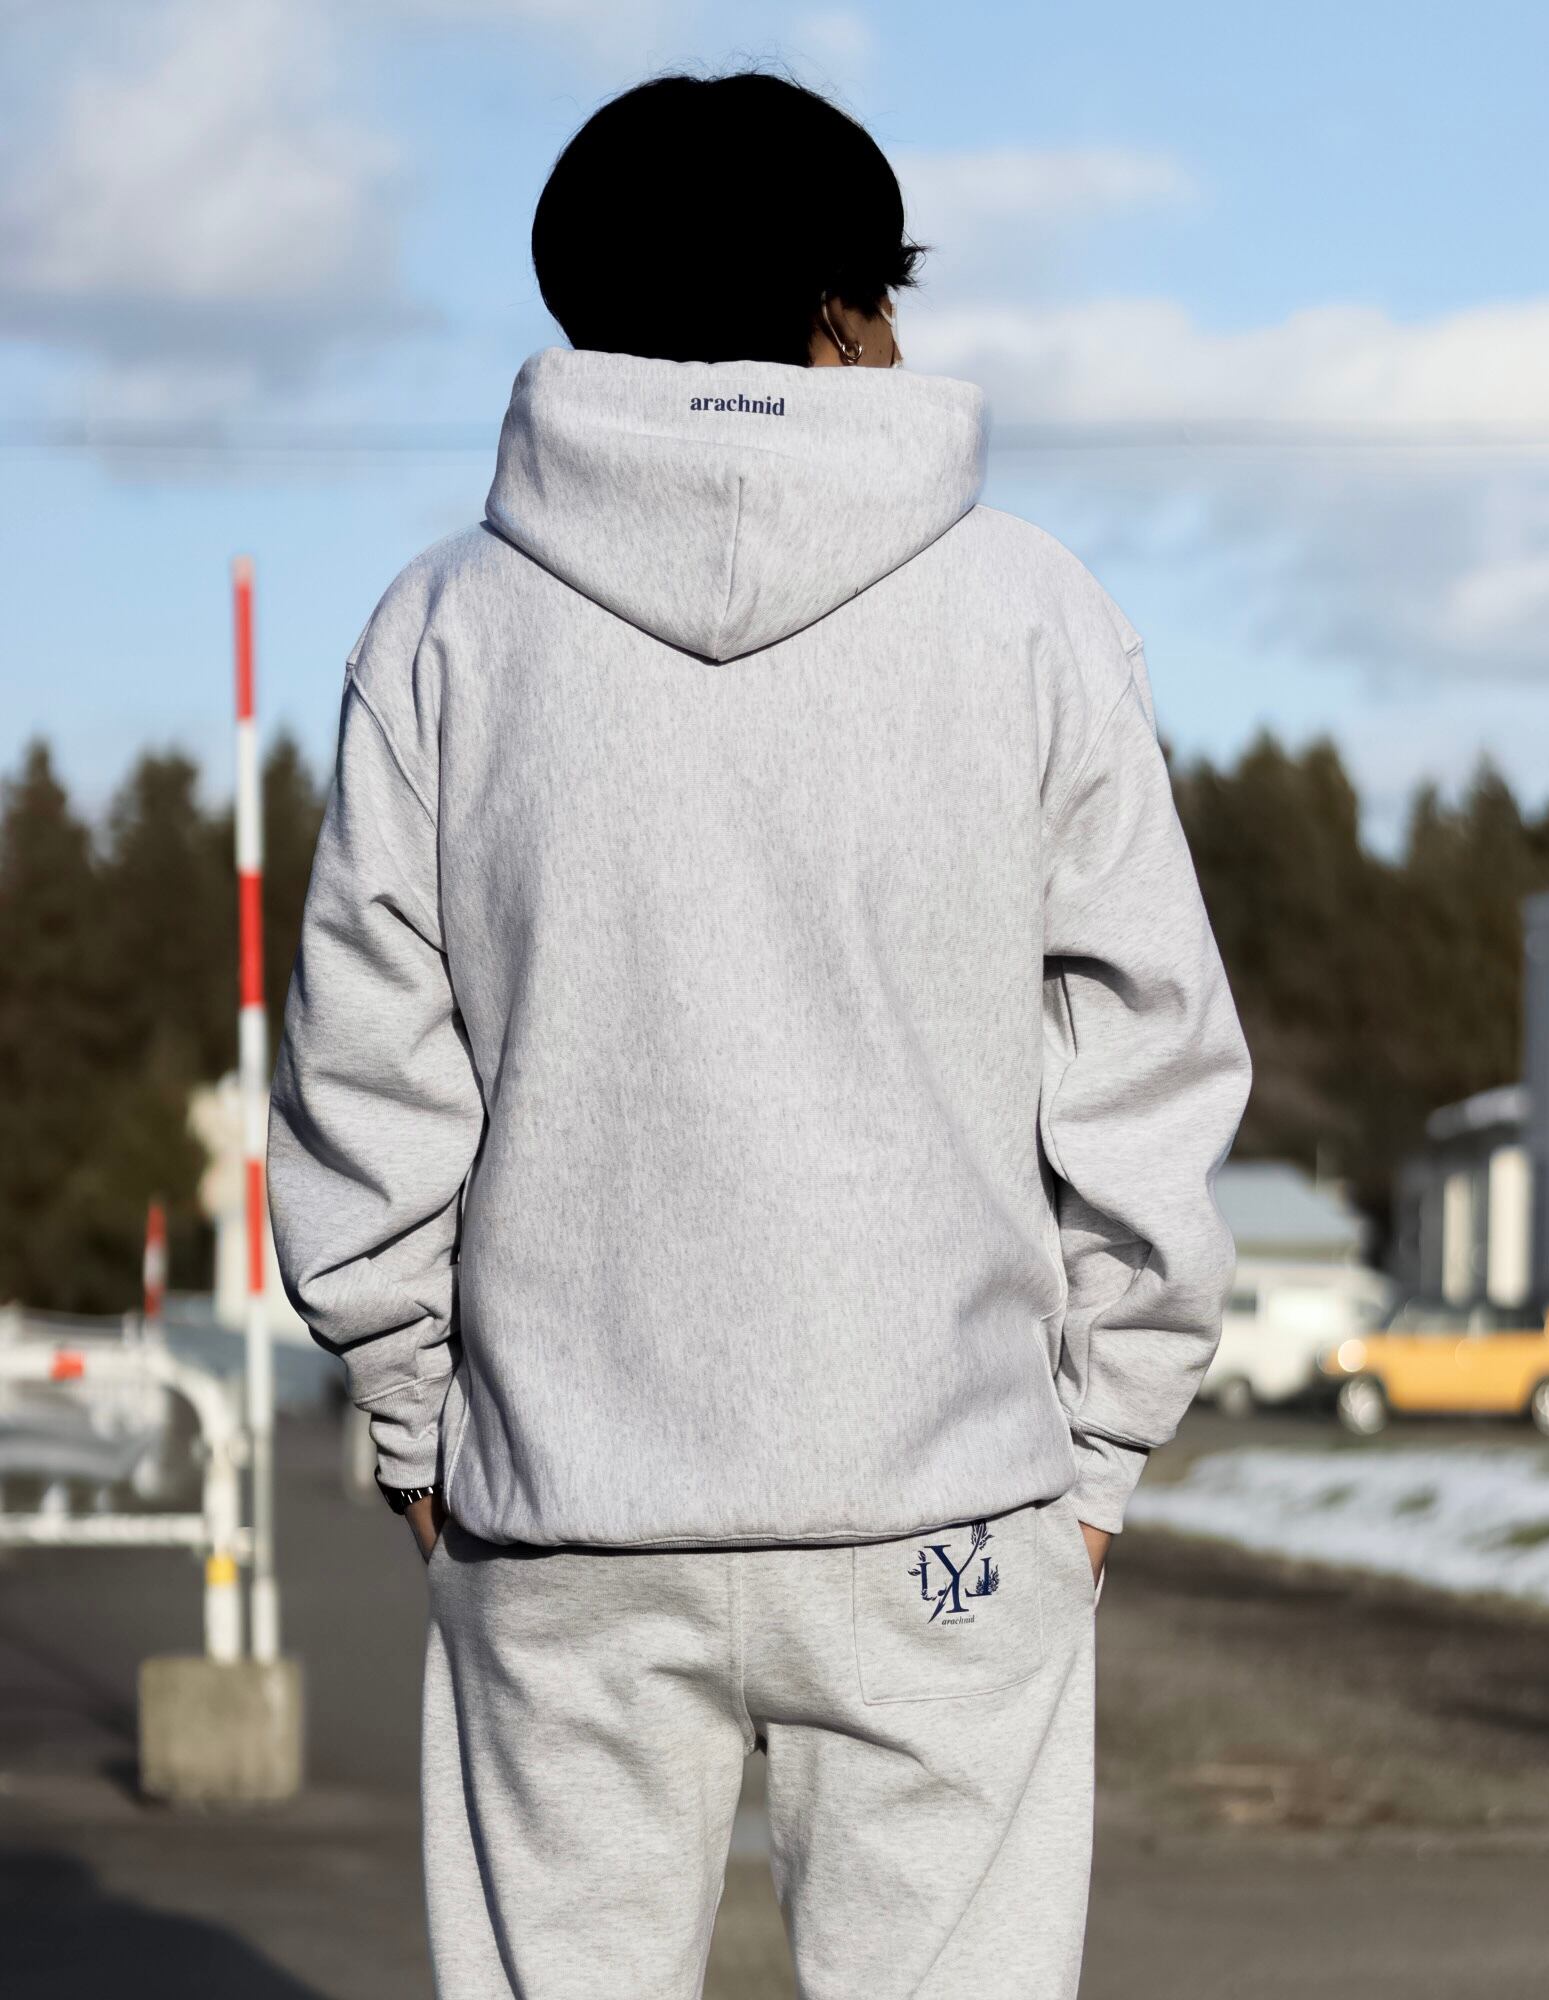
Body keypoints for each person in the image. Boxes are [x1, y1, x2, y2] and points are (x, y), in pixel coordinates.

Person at [267, 68, 1251, 2000]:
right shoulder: (1033, 615)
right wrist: (1097, 1456)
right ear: (845, 309)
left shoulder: (447, 629)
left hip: (556, 1518)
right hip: (949, 1516)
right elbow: (1148, 1054)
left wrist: (411, 1419)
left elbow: (366, 1074)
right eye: (890, 295)